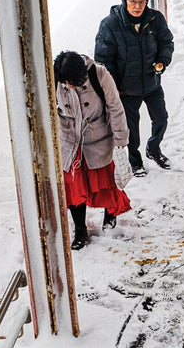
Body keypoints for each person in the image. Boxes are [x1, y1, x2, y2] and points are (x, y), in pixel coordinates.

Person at [95, 0, 175, 175]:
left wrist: (162, 61)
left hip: (151, 83)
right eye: (133, 1)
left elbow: (166, 42)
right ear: (125, 1)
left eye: (142, 1)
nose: (138, 6)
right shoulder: (110, 24)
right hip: (126, 88)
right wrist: (115, 87)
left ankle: (153, 149)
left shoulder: (155, 19)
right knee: (131, 129)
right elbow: (103, 61)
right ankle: (134, 160)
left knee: (161, 119)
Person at [54, 50, 131, 250]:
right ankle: (80, 230)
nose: (69, 86)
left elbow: (115, 107)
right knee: (74, 187)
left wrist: (121, 138)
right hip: (70, 140)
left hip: (98, 138)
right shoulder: (56, 79)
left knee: (106, 182)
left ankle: (110, 219)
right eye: (67, 83)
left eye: (73, 82)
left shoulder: (99, 74)